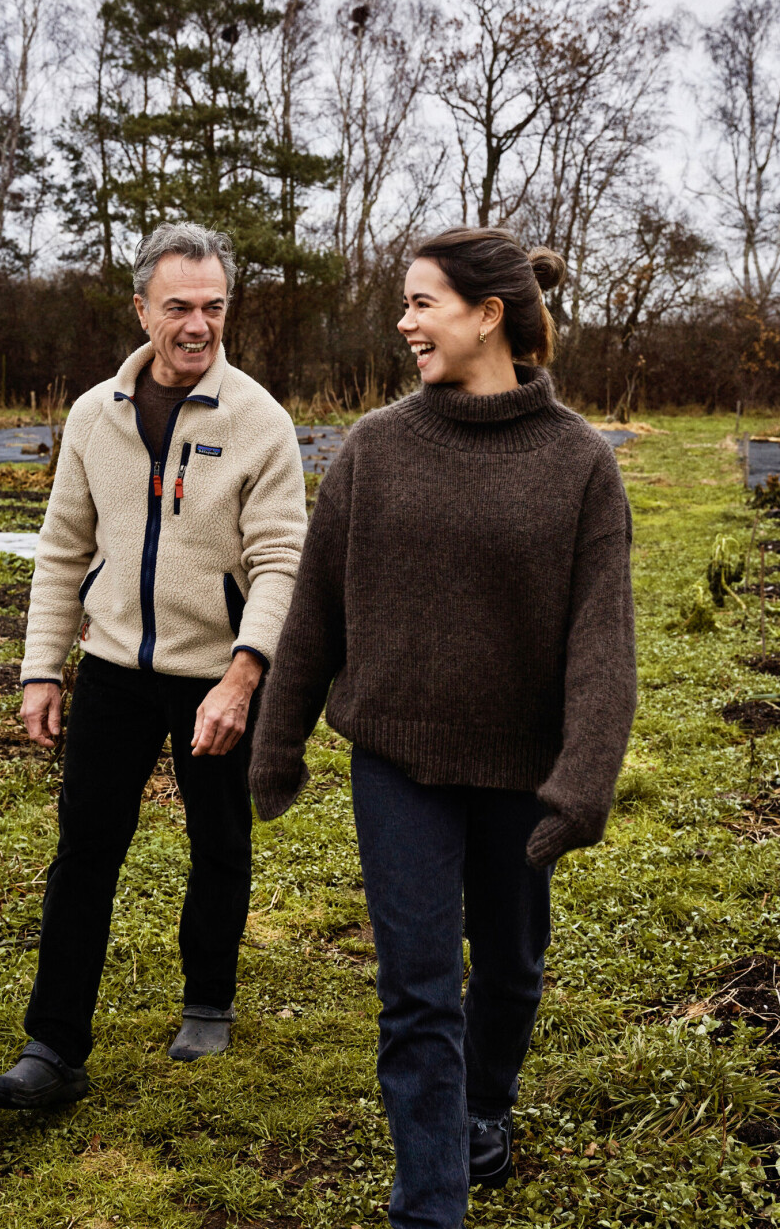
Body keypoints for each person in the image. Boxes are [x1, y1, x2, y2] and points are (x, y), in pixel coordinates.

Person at [249, 226, 637, 1228]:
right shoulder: (377, 449)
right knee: (418, 989)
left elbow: (602, 645)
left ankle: (485, 1106)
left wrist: (583, 781)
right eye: (406, 303)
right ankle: (431, 1204)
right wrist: (279, 737)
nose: (404, 321)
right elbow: (315, 614)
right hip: (397, 761)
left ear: (488, 314)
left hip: (520, 766)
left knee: (508, 966)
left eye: (422, 303)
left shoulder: (580, 464)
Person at [0, 221, 307, 1110]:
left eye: (214, 307)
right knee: (85, 850)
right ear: (141, 310)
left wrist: (245, 674)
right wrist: (41, 668)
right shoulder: (95, 415)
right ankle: (53, 1047)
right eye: (179, 308)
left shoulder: (260, 422)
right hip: (115, 667)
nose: (198, 325)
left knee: (219, 841)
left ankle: (208, 1000)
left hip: (216, 673)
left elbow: (282, 561)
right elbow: (60, 549)